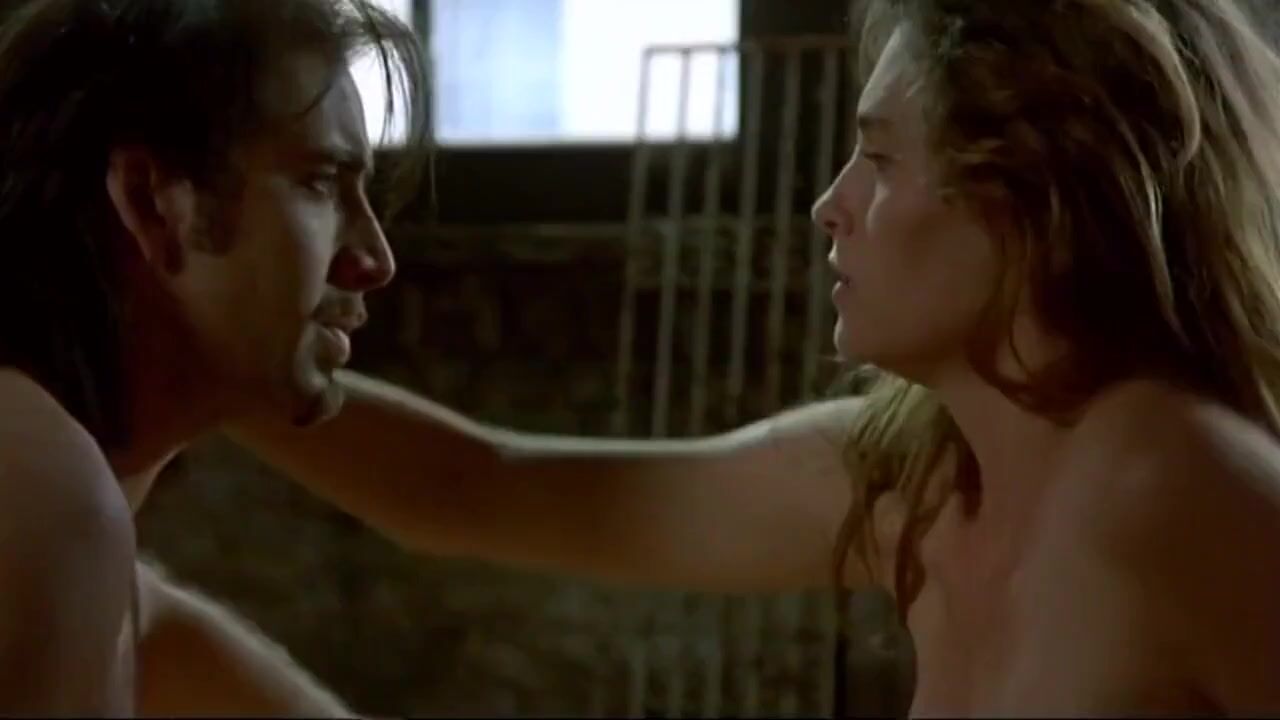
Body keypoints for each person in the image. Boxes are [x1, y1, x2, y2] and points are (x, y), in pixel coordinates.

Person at [232, 0, 1280, 716]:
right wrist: (218, 357)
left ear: (1033, 194)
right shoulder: (914, 482)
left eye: (879, 159)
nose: (830, 204)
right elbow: (477, 490)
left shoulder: (1175, 485)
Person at [0, 0, 427, 714]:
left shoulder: (109, 579)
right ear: (153, 202)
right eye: (321, 183)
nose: (374, 260)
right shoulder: (40, 501)